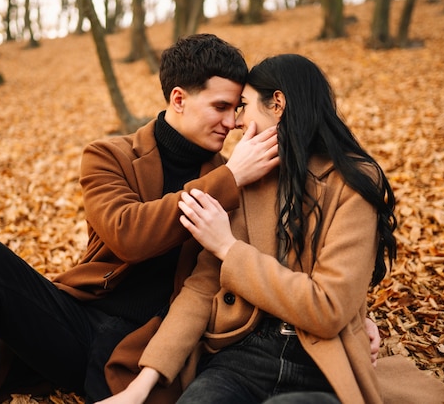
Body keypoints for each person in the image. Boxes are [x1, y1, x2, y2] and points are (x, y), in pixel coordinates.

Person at [0, 33, 281, 404]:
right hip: (78, 322)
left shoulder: (234, 176)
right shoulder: (111, 155)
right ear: (178, 99)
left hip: (146, 346)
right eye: (220, 106)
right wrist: (229, 179)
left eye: (236, 108)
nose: (232, 122)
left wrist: (236, 176)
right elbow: (127, 234)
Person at [99, 53, 398, 404]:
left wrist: (229, 249)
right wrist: (140, 386)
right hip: (239, 355)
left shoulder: (353, 183)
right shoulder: (249, 180)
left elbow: (328, 307)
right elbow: (201, 288)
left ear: (278, 104)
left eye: (242, 106)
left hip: (320, 361)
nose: (236, 122)